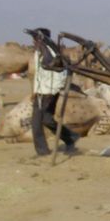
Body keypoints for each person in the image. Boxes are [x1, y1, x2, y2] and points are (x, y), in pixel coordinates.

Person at [28, 28, 78, 157]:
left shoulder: (51, 53)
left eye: (35, 39)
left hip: (47, 93)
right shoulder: (40, 52)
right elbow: (38, 74)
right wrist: (35, 91)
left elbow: (60, 73)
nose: (33, 41)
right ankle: (70, 138)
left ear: (42, 39)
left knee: (37, 122)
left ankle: (42, 151)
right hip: (42, 92)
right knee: (47, 119)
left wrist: (52, 91)